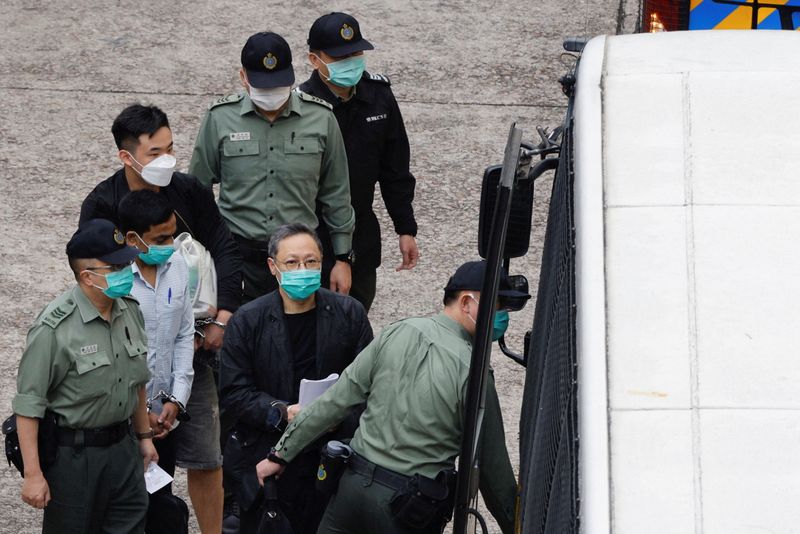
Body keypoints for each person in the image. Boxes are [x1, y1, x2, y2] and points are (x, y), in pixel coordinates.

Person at [255, 260, 530, 534]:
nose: (501, 318)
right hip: (408, 508)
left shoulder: (396, 331)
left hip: (351, 492)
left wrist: (280, 455)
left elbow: (334, 401)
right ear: (467, 302)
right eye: (496, 307)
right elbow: (493, 472)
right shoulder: (473, 370)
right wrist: (516, 526)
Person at [81, 104, 232, 533]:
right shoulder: (100, 209)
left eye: (171, 148)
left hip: (186, 368)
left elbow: (221, 249)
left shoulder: (187, 202)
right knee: (139, 483)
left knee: (206, 458)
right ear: (127, 157)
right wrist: (145, 409)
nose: (167, 160)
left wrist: (221, 317)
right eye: (154, 152)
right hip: (126, 389)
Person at [218, 223, 373, 533]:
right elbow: (234, 393)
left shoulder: (349, 314)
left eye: (311, 261)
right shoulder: (248, 321)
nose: (303, 269)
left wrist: (336, 415)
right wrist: (281, 411)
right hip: (266, 453)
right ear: (272, 267)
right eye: (292, 262)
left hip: (332, 453)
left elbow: (371, 386)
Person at [13, 218, 157, 534]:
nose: (127, 272)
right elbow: (28, 405)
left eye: (126, 263)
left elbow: (136, 381)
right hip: (75, 457)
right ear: (88, 277)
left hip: (124, 450)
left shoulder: (129, 309)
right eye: (116, 268)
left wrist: (144, 437)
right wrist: (33, 475)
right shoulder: (54, 328)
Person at [188, 31, 356, 303]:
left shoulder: (321, 118)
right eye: (263, 86)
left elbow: (336, 193)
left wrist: (342, 258)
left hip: (298, 260)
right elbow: (196, 190)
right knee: (236, 336)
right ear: (244, 77)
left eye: (278, 84)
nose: (271, 94)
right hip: (237, 255)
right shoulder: (220, 119)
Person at [301, 12, 419, 312]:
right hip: (310, 237)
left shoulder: (378, 96)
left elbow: (395, 170)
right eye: (340, 57)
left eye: (355, 53)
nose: (350, 62)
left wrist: (405, 228)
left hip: (360, 235)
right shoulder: (300, 107)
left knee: (355, 320)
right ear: (315, 60)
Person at [118, 190, 195, 529]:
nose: (170, 244)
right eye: (160, 238)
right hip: (122, 421)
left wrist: (176, 400)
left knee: (159, 506)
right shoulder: (115, 279)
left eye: (173, 234)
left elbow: (183, 335)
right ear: (133, 239)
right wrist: (141, 413)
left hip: (166, 420)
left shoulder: (177, 264)